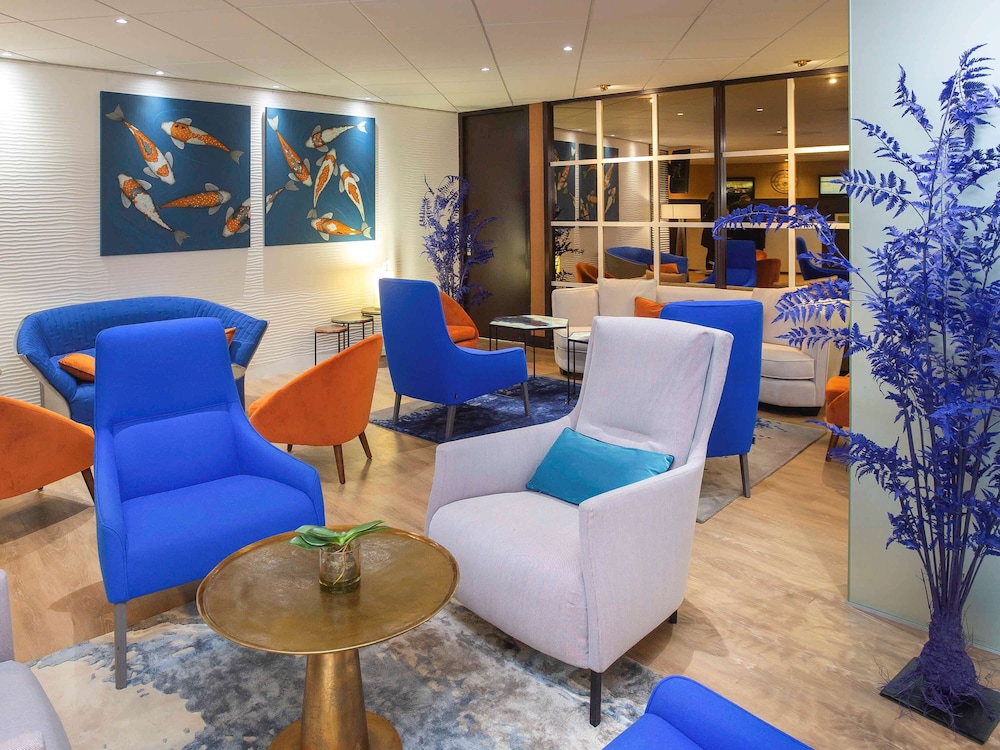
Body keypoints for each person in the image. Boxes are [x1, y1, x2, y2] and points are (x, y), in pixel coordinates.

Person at [700, 191, 716, 268]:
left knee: (710, 251)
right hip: (712, 232)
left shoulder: (706, 206)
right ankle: (711, 267)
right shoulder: (714, 207)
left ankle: (709, 267)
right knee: (713, 251)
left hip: (707, 232)